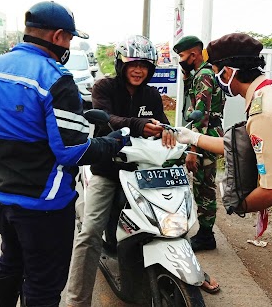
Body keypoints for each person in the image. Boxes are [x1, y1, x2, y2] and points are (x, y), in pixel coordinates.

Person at [0, 1, 127, 306]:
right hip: (44, 205)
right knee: (43, 283)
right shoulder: (55, 78)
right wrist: (114, 142)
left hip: (0, 197)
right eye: (70, 39)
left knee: (10, 262)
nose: (69, 45)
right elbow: (72, 152)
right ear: (59, 36)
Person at [175, 33, 272, 307]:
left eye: (216, 71)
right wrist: (191, 138)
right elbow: (240, 146)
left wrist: (236, 203)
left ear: (230, 71)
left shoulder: (265, 111)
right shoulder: (268, 93)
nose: (216, 78)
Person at [65, 35, 219, 306]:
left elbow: (159, 124)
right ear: (121, 65)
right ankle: (76, 300)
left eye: (145, 66)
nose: (139, 70)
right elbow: (106, 116)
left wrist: (168, 134)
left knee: (171, 220)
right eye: (133, 64)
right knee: (89, 233)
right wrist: (137, 124)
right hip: (110, 169)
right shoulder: (104, 87)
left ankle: (184, 264)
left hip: (146, 170)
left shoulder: (151, 95)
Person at [173, 35, 225, 251]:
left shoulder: (204, 75)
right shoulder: (200, 74)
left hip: (204, 133)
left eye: (182, 56)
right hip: (203, 133)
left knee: (204, 186)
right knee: (200, 183)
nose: (180, 60)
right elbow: (192, 102)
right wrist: (186, 76)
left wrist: (193, 151)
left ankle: (206, 235)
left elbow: (201, 115)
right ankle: (203, 231)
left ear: (193, 54)